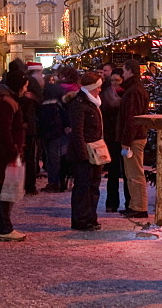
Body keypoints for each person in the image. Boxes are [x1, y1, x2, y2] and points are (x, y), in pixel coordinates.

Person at [0, 61, 28, 241]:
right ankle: (4, 228)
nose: (25, 90)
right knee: (4, 191)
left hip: (1, 153)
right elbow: (3, 132)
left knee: (3, 190)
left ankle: (0, 225)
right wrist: (12, 154)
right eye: (24, 86)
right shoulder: (5, 102)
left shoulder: (5, 98)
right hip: (1, 155)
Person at [65, 71, 107, 231]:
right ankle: (81, 220)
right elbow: (78, 132)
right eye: (98, 87)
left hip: (95, 152)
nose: (100, 90)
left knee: (93, 187)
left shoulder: (93, 103)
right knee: (83, 187)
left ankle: (91, 218)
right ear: (91, 88)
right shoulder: (80, 104)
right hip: (84, 153)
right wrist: (83, 156)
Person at [117, 59, 149, 219]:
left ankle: (139, 206)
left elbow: (132, 118)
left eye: (123, 70)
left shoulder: (134, 91)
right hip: (135, 136)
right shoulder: (134, 89)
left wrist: (126, 140)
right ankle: (135, 205)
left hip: (134, 138)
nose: (122, 73)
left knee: (135, 174)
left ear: (130, 71)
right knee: (131, 174)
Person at [100, 70, 128, 213]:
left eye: (117, 80)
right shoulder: (105, 95)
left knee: (127, 172)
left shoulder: (126, 95)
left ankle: (129, 203)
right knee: (113, 171)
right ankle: (112, 203)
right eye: (112, 80)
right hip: (111, 136)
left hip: (123, 136)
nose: (114, 83)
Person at [37, 70, 68, 193]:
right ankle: (57, 181)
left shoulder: (43, 96)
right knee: (54, 157)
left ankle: (54, 182)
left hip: (47, 130)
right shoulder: (59, 95)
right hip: (56, 129)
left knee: (51, 157)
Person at [19, 62, 43, 195]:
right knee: (29, 157)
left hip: (24, 124)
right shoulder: (33, 82)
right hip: (29, 125)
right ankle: (29, 185)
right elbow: (40, 101)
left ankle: (21, 184)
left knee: (24, 156)